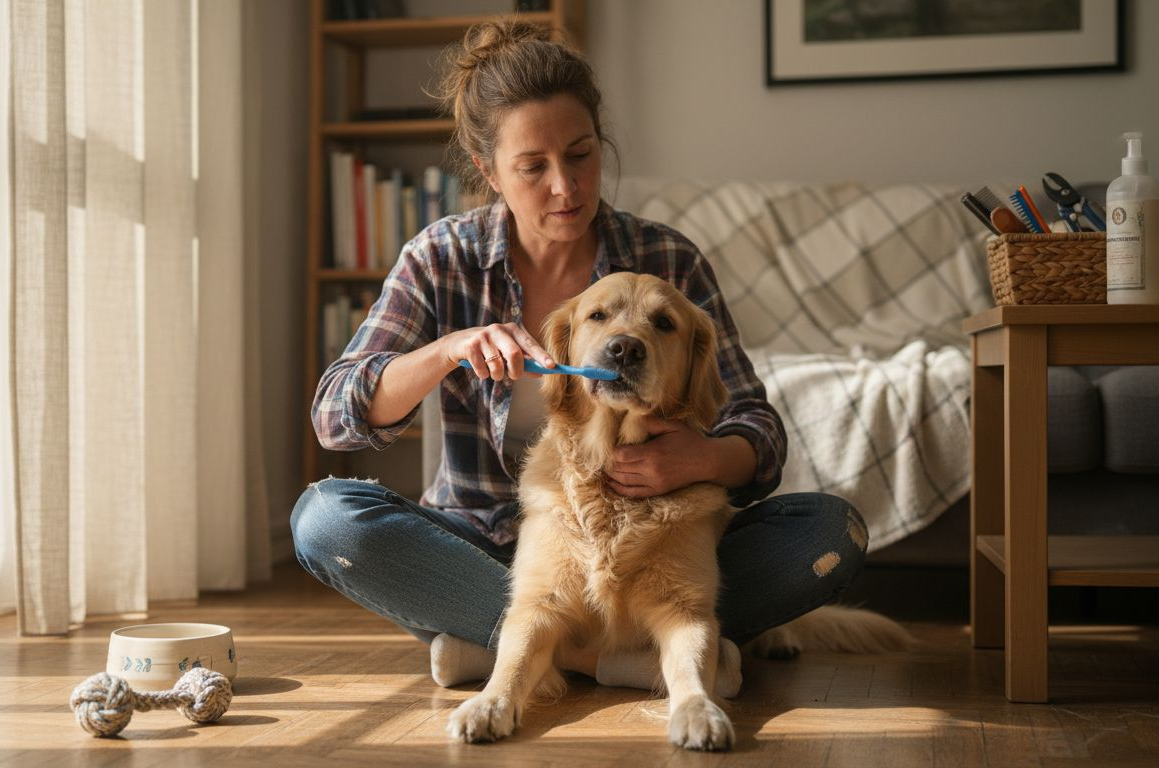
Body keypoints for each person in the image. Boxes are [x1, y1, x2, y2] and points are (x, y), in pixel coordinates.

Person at [292, 19, 867, 693]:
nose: (565, 187)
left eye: (581, 155)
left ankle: (498, 649)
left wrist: (704, 457)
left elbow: (757, 427)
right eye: (533, 168)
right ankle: (615, 658)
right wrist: (447, 350)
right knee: (324, 519)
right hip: (483, 554)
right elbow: (336, 415)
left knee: (832, 530)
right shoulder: (442, 258)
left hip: (647, 557)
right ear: (489, 172)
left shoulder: (666, 261)